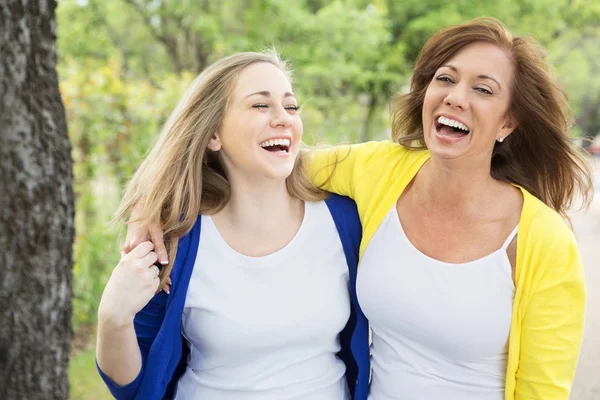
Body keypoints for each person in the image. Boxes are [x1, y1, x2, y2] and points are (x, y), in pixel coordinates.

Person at [127, 18, 593, 399]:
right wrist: (153, 205)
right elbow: (265, 158)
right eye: (444, 79)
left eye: (484, 89)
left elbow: (541, 390)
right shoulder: (379, 171)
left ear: (508, 122)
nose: (455, 96)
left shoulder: (542, 240)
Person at [96, 50, 370, 400]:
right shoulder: (177, 239)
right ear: (213, 135)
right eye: (260, 106)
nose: (283, 118)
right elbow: (132, 385)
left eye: (291, 106)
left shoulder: (344, 220)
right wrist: (111, 318)